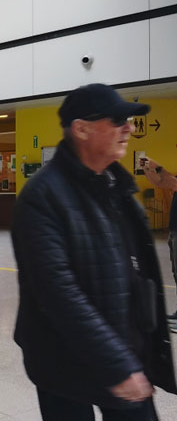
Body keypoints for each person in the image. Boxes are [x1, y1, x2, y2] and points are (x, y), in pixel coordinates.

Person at [11, 84, 177, 420]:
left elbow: (136, 272)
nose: (129, 127)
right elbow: (58, 293)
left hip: (123, 351)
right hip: (62, 359)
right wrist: (118, 365)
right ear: (82, 129)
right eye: (117, 119)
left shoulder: (117, 187)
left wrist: (145, 353)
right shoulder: (42, 196)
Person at [140, 157, 177, 328]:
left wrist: (158, 167)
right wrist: (147, 170)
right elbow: (161, 183)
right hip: (174, 230)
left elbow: (172, 182)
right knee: (176, 272)